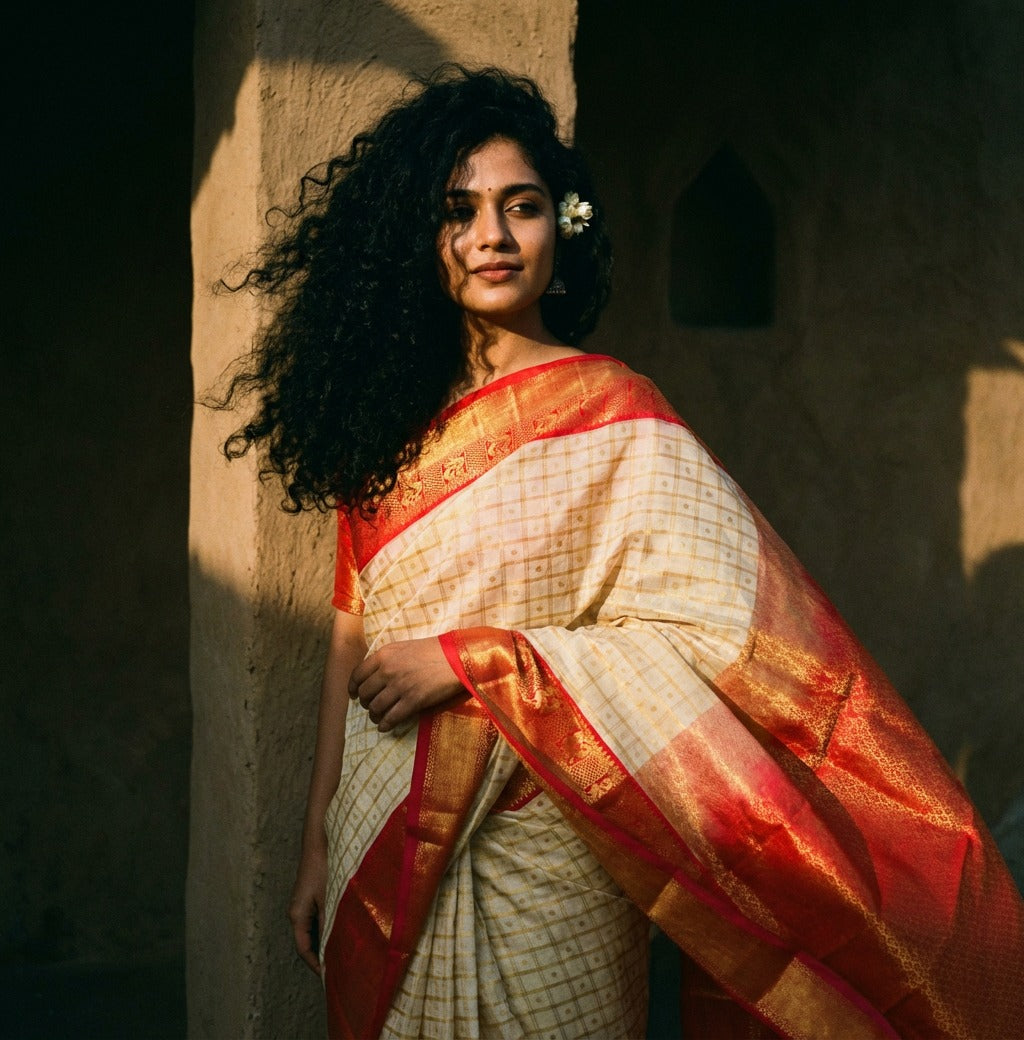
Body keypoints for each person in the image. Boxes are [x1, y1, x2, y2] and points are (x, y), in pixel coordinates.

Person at [219, 65, 1024, 1039]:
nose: (492, 236)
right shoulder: (379, 430)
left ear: (561, 228)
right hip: (382, 829)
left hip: (557, 842)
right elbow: (350, 642)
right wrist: (316, 842)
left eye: (522, 207)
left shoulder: (614, 411)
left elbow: (719, 632)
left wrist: (481, 660)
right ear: (418, 238)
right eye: (459, 211)